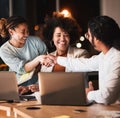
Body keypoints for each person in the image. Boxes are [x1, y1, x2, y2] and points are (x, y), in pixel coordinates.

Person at [49, 16, 120, 105]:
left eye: (88, 35)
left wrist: (89, 94)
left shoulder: (117, 58)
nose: (88, 38)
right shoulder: (104, 56)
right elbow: (82, 64)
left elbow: (106, 96)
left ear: (97, 38)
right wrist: (56, 59)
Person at [19, 12, 89, 94]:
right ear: (52, 37)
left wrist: (43, 87)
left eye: (66, 35)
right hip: (51, 100)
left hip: (75, 98)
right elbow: (41, 84)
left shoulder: (81, 54)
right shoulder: (48, 57)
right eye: (58, 35)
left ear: (71, 36)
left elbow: (76, 82)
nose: (62, 39)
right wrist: (28, 88)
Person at [0, 16, 51, 91]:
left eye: (27, 31)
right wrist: (38, 59)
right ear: (11, 32)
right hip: (17, 88)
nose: (26, 34)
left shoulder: (36, 41)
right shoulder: (4, 50)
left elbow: (47, 63)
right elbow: (22, 69)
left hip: (39, 85)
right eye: (23, 32)